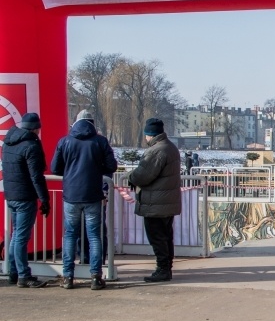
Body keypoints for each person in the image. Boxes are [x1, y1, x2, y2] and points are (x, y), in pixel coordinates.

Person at [51, 109, 118, 290]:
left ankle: (67, 277)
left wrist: (70, 172)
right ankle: (96, 276)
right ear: (92, 124)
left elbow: (55, 168)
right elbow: (112, 166)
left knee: (70, 235)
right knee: (94, 236)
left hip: (71, 195)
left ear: (75, 123)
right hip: (93, 194)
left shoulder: (64, 141)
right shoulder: (100, 141)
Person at [127, 118, 182, 282]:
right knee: (166, 237)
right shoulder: (170, 147)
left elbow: (143, 175)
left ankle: (162, 269)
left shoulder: (156, 151)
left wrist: (131, 177)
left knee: (157, 237)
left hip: (156, 203)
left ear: (149, 134)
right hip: (167, 202)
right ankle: (166, 268)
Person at [1, 113, 49, 288]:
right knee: (21, 237)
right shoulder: (31, 146)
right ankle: (23, 275)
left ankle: (14, 272)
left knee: (15, 236)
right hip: (25, 196)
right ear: (36, 128)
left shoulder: (8, 142)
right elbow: (36, 177)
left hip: (11, 195)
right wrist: (45, 199)